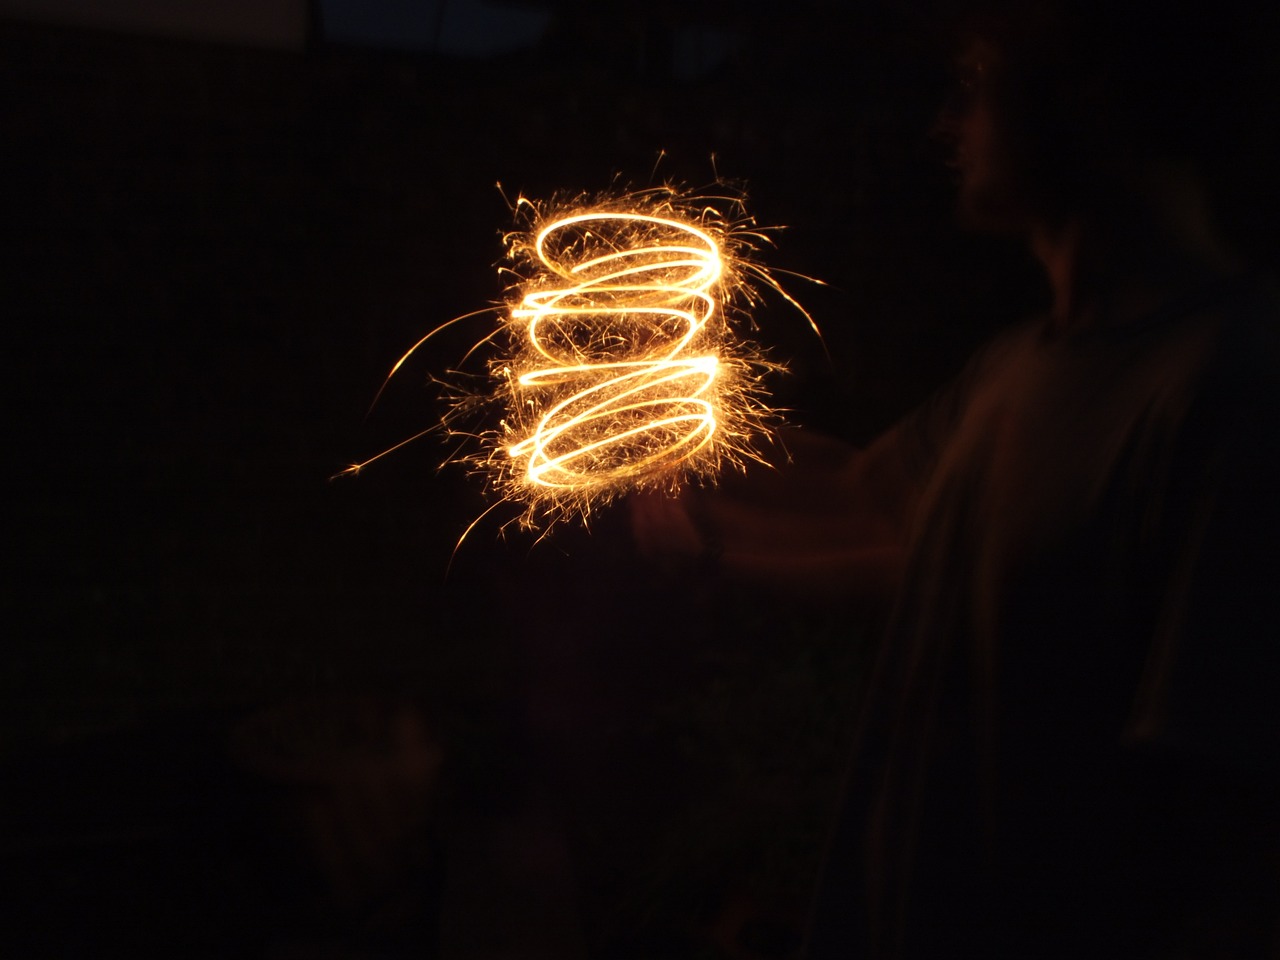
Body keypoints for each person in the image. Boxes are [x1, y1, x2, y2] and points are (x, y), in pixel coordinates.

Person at [632, 2, 1280, 956]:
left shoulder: (1235, 389)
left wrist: (705, 548)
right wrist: (680, 439)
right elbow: (872, 496)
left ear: (1082, 98)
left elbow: (1224, 818)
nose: (946, 124)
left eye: (975, 87)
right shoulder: (1024, 364)